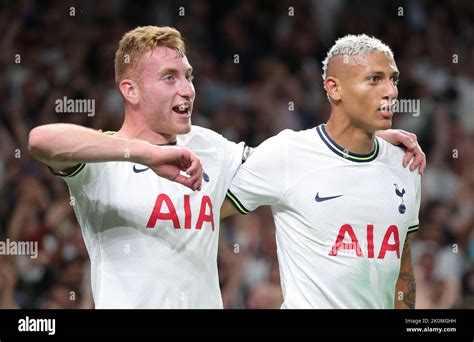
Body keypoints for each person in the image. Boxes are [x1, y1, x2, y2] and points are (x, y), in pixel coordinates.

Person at [29, 26, 424, 309]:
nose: (187, 89)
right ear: (130, 90)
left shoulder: (212, 148)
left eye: (188, 76)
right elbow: (41, 141)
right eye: (169, 78)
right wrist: (144, 153)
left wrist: (362, 136)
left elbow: (298, 157)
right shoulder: (105, 157)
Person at [224, 34, 421, 309]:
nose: (391, 91)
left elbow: (402, 267)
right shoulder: (288, 153)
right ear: (334, 88)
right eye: (374, 79)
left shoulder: (406, 164)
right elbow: (203, 211)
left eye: (393, 79)